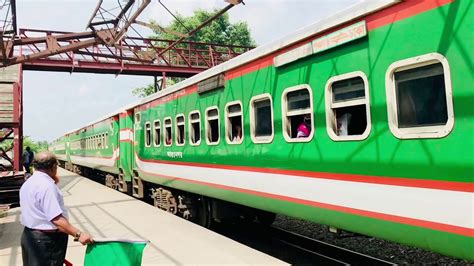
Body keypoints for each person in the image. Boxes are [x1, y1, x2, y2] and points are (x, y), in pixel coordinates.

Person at [20, 151, 94, 266]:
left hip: (30, 237)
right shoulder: (47, 186)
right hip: (45, 242)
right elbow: (56, 219)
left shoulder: (29, 182)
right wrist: (79, 234)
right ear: (54, 166)